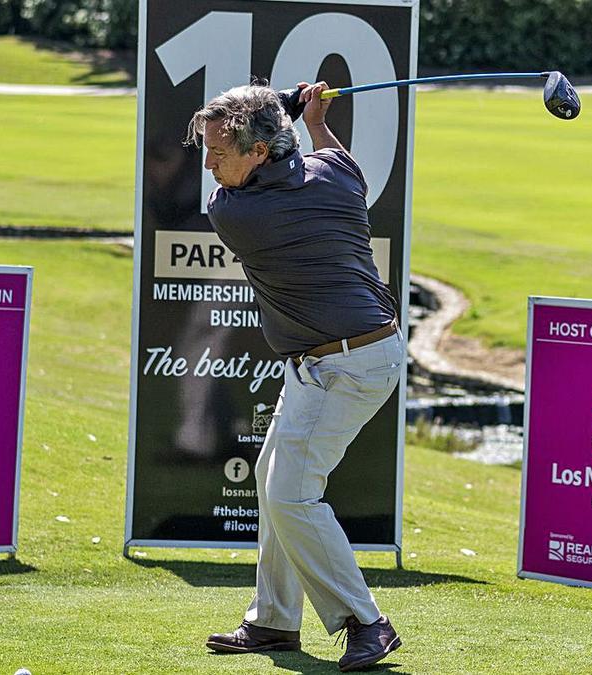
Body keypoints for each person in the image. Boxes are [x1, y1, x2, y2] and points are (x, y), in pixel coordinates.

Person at [187, 81, 405, 672]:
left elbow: (259, 160)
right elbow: (330, 152)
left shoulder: (235, 210)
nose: (208, 164)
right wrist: (313, 118)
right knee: (272, 480)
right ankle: (273, 622)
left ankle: (366, 623)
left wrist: (286, 104)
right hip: (327, 362)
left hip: (352, 366)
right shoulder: (337, 173)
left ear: (258, 154)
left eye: (218, 152)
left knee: (293, 493)